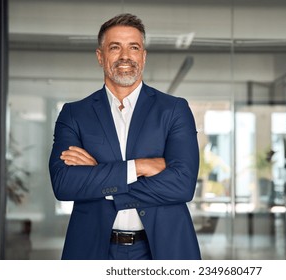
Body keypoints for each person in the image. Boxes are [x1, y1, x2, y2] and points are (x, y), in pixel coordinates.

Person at [48, 13, 201, 260]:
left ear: (143, 56)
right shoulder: (74, 114)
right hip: (92, 249)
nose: (125, 56)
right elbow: (64, 183)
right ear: (100, 56)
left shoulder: (174, 109)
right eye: (115, 47)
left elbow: (183, 185)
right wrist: (138, 167)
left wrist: (100, 176)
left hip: (163, 249)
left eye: (134, 47)